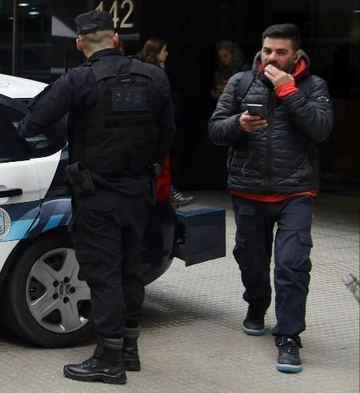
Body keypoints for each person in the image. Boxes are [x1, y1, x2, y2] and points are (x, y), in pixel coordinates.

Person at [19, 10, 174, 385]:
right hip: (139, 191)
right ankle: (129, 349)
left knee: (103, 276)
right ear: (116, 39)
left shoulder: (80, 79)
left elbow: (32, 123)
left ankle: (109, 359)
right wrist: (149, 170)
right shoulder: (155, 76)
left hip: (98, 195)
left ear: (79, 44)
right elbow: (168, 132)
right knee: (130, 271)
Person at [207, 23, 333, 375]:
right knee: (251, 260)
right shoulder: (240, 82)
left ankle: (289, 336)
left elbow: (321, 129)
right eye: (267, 50)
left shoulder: (314, 86)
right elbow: (215, 129)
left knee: (292, 264)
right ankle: (257, 303)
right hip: (248, 188)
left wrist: (288, 91)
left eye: (280, 52)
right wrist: (238, 124)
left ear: (295, 55)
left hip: (296, 190)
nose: (271, 58)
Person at [136, 38, 194, 209]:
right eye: (164, 50)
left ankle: (168, 192)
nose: (167, 53)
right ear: (157, 52)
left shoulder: (146, 68)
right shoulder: (152, 72)